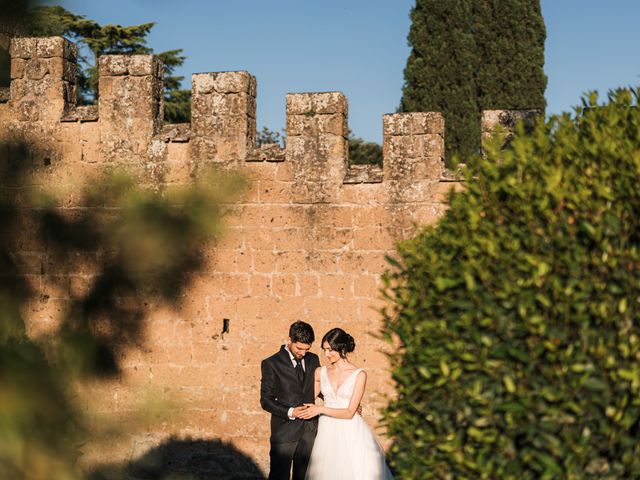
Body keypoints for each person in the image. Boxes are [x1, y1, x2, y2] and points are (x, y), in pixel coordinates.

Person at [298, 327, 394, 480]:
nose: (326, 354)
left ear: (341, 348)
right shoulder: (320, 372)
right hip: (327, 430)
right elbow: (305, 399)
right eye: (324, 350)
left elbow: (350, 413)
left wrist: (321, 409)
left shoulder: (359, 375)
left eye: (330, 350)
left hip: (351, 431)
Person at [260, 321, 321, 480]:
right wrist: (291, 411)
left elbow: (321, 388)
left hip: (309, 430)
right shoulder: (271, 363)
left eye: (307, 349)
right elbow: (265, 400)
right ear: (289, 340)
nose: (302, 352)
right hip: (284, 432)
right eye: (299, 348)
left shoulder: (313, 359)